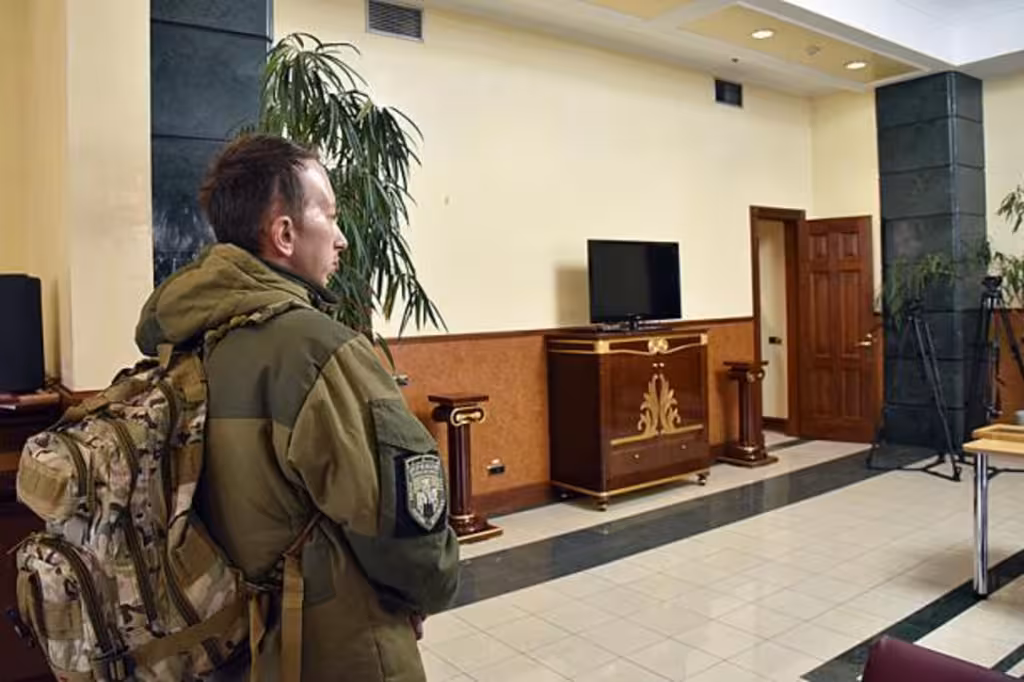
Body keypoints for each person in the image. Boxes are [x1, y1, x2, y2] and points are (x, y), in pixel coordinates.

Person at [135, 134, 460, 681]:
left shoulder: (185, 339)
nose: (342, 238)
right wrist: (425, 588)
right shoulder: (319, 351)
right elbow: (400, 529)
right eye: (328, 216)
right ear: (284, 233)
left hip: (229, 641)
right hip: (336, 646)